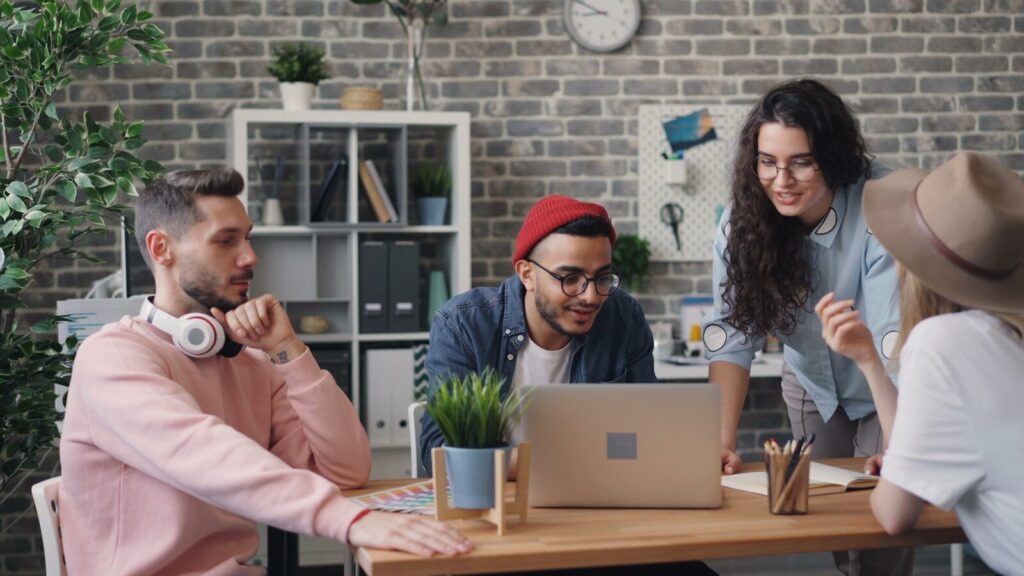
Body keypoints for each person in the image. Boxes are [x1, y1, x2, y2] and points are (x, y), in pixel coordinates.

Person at [59, 169, 472, 576]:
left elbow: (346, 469)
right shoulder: (112, 358)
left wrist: (288, 351)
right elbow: (202, 453)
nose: (249, 257)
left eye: (247, 237)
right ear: (161, 248)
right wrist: (352, 520)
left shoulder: (250, 361)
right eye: (226, 241)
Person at [420, 194, 716, 576]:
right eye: (570, 278)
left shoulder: (623, 316)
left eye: (602, 277)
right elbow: (437, 453)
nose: (590, 296)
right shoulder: (464, 325)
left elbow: (646, 434)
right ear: (527, 273)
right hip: (494, 526)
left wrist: (691, 454)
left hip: (599, 522)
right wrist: (554, 462)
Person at [702, 78, 912, 575]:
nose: (781, 180)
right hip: (812, 384)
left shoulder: (882, 207)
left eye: (801, 161)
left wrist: (905, 446)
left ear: (833, 156)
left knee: (884, 532)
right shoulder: (741, 223)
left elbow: (892, 346)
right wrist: (720, 443)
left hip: (885, 377)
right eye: (768, 162)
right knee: (833, 527)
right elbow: (733, 337)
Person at [816, 152, 1024, 575]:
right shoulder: (994, 336)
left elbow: (894, 513)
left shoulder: (944, 342)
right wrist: (870, 361)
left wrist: (899, 473)